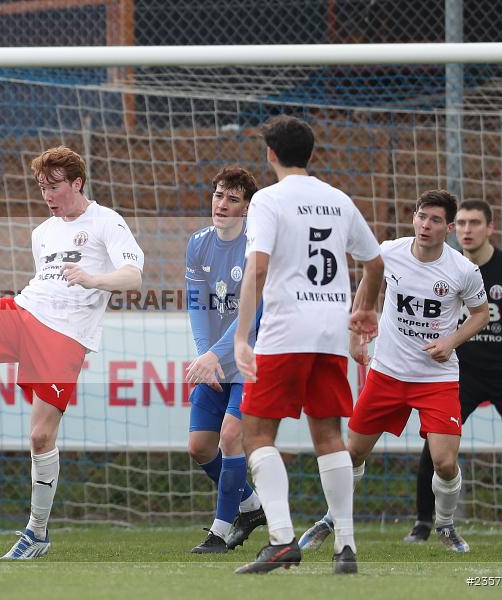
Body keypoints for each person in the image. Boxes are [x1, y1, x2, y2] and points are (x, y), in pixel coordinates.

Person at [0, 146, 144, 560]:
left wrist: (93, 279)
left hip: (65, 336)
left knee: (40, 437)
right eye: (42, 187)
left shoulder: (106, 221)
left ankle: (37, 533)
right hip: (26, 310)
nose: (48, 195)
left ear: (77, 183)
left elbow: (133, 275)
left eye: (55, 186)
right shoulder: (42, 232)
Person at [232, 115, 385, 575]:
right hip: (330, 332)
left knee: (255, 433)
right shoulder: (337, 199)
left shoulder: (268, 199)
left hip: (286, 331)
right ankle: (345, 547)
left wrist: (242, 337)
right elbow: (375, 264)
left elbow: (257, 270)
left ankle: (281, 539)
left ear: (270, 154)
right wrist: (365, 310)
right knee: (328, 434)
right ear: (311, 153)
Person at [299, 190, 490, 555]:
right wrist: (357, 336)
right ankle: (332, 517)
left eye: (435, 220)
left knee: (445, 462)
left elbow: (480, 314)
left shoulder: (462, 271)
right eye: (421, 216)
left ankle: (446, 524)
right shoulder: (389, 252)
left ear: (448, 228)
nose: (425, 225)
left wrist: (452, 340)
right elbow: (368, 288)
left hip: (436, 377)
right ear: (413, 218)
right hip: (387, 372)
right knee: (351, 454)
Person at [403, 199, 502, 543]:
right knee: (435, 447)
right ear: (453, 228)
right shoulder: (442, 268)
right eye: (461, 223)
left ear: (489, 228)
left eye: (474, 223)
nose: (466, 230)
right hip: (461, 373)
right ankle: (423, 523)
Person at [184, 166, 266, 553]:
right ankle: (251, 506)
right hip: (215, 360)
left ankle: (219, 533)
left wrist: (214, 356)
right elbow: (198, 303)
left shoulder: (256, 247)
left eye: (233, 199)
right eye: (219, 195)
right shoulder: (198, 243)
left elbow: (253, 320)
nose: (222, 204)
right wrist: (206, 356)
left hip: (251, 360)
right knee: (200, 447)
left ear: (246, 208)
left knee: (232, 437)